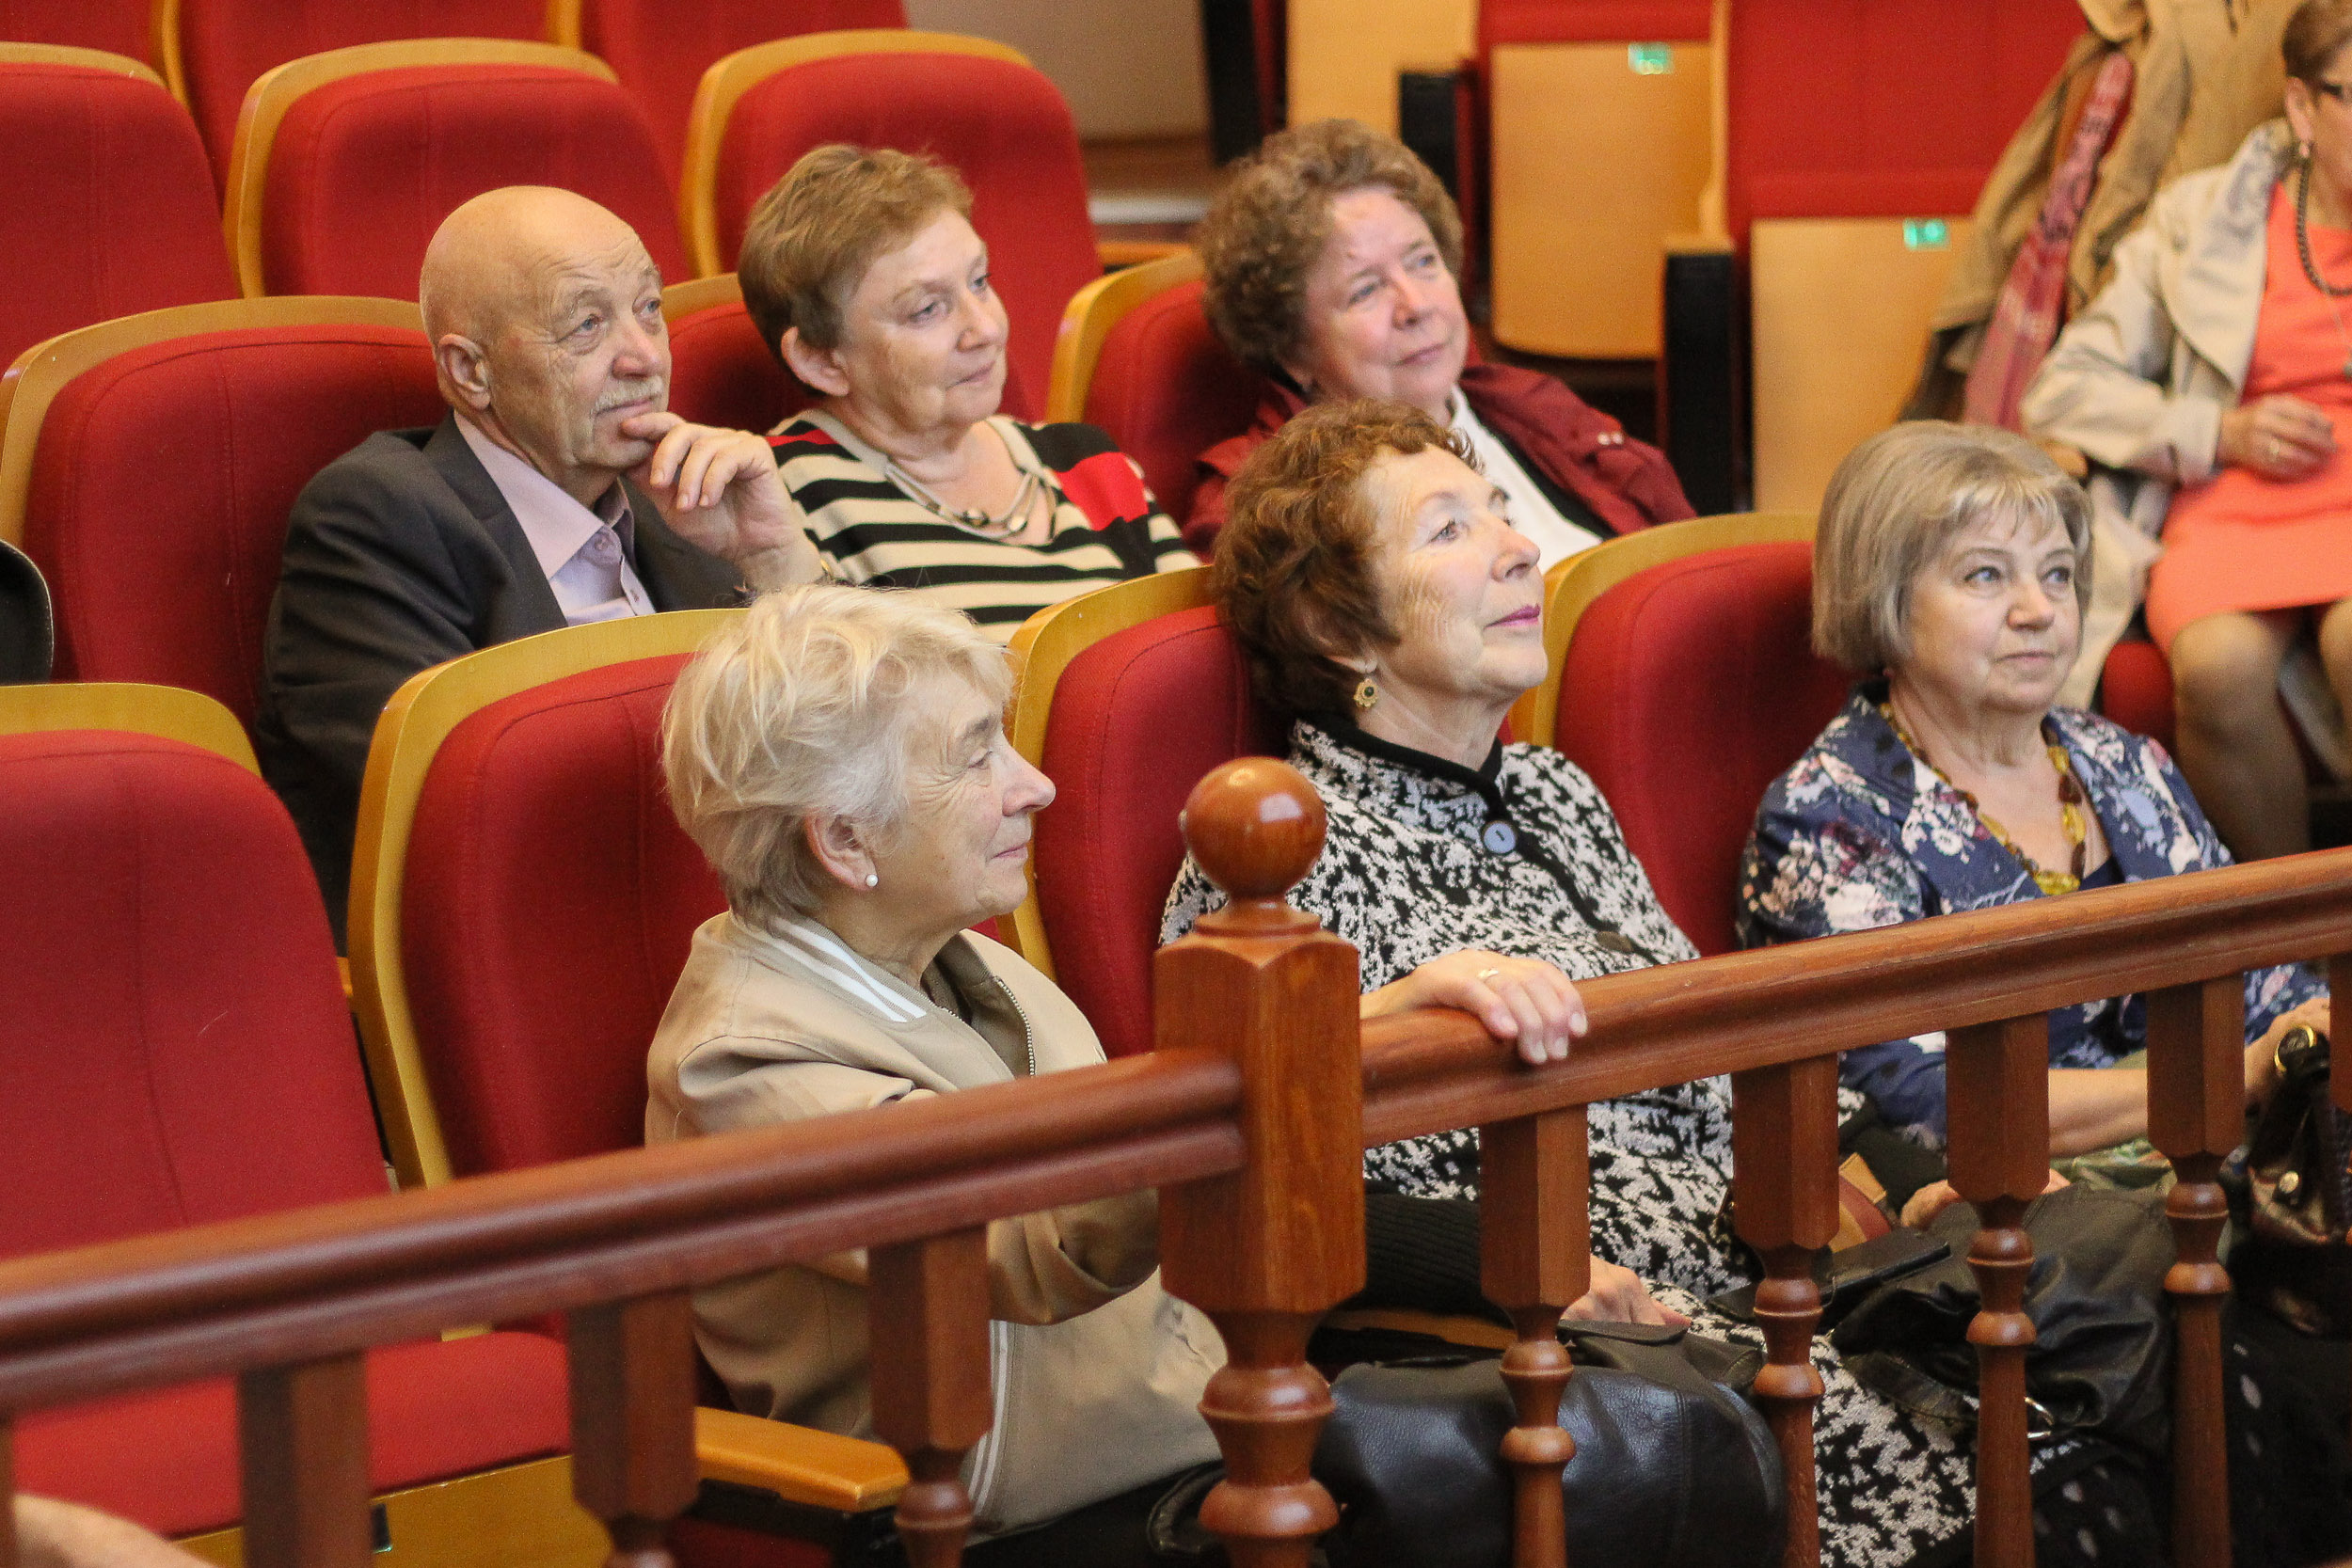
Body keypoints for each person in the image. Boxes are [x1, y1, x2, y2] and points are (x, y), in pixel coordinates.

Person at [1161, 399, 2172, 1568]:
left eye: (1501, 511)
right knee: (2038, 1486)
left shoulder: (1553, 791)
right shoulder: (1273, 851)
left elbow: (1720, 1043)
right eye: (1448, 530)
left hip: (1765, 1269)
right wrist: (1528, 1267)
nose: (1517, 547)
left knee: (2119, 1367)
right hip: (1591, 1338)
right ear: (1335, 624)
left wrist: (1920, 1179)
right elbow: (1264, 1190)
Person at [646, 584, 1571, 1556]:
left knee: (1572, 1459)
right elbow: (1037, 1241)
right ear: (844, 839)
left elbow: (1156, 1144)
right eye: (976, 756)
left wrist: (1351, 1031)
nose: (1036, 785)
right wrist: (1311, 1046)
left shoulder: (973, 956)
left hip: (1196, 1444)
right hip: (1005, 1526)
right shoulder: (739, 1057)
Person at [1740, 421, 2327, 1164]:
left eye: (2056, 574)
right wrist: (2229, 1079)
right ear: (1884, 598)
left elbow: (2262, 983)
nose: (2039, 609)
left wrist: (2315, 1028)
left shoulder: (2123, 760)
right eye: (1986, 575)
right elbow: (1918, 1104)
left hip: (2225, 1163)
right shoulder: (1828, 819)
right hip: (2012, 1214)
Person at [256, 185, 824, 937]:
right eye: (587, 325)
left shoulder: (686, 504)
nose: (645, 357)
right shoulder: (379, 518)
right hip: (548, 940)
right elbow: (448, 821)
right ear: (471, 371)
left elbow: (866, 752)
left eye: (649, 308)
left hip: (755, 927)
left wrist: (775, 558)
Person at [2023, 0, 2352, 860]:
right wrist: (2219, 429)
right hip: (2235, 499)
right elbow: (2061, 389)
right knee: (2214, 666)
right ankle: (2294, 929)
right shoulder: (2201, 219)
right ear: (2302, 107)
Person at [737, 146, 1196, 641]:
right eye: (927, 310)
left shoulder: (1087, 463)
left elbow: (1198, 655)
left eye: (980, 281)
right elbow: (825, 684)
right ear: (822, 361)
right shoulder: (779, 502)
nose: (986, 329)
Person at [1184, 118, 1692, 558]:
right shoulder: (1267, 511)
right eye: (1366, 290)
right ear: (1289, 346)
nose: (1416, 305)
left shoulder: (1530, 408)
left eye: (1423, 261)